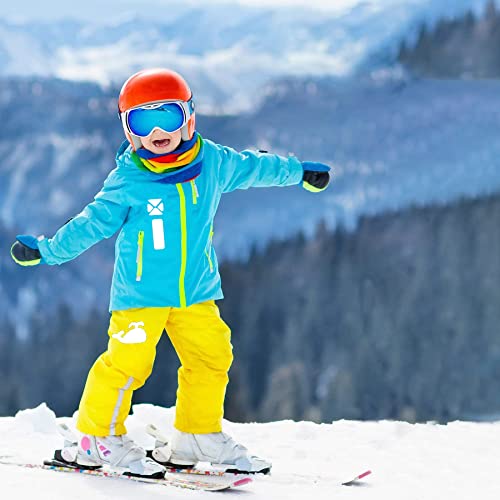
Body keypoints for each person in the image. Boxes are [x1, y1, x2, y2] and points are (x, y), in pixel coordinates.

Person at [10, 68, 331, 477]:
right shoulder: (128, 181)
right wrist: (47, 251)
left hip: (195, 291)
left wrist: (298, 172)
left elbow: (255, 167)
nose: (158, 130)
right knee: (126, 365)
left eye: (168, 115)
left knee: (212, 356)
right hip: (141, 294)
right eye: (143, 120)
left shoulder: (212, 162)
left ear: (189, 118)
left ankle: (196, 434)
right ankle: (96, 438)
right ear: (129, 131)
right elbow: (90, 224)